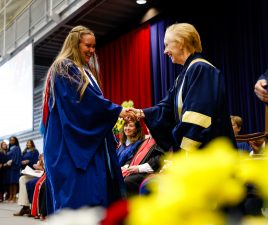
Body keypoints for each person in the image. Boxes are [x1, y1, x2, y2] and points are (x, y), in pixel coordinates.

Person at [41, 25, 132, 212]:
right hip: (69, 146)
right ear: (75, 44)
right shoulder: (64, 67)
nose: (92, 50)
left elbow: (93, 102)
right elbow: (82, 104)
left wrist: (112, 110)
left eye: (94, 46)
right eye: (88, 46)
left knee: (93, 199)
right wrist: (116, 110)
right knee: (77, 201)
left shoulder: (83, 70)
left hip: (83, 145)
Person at [127, 23, 235, 152]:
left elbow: (198, 116)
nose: (164, 51)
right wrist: (140, 113)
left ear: (181, 42)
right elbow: (167, 107)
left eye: (167, 45)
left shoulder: (201, 69)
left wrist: (185, 152)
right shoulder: (184, 75)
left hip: (210, 154)